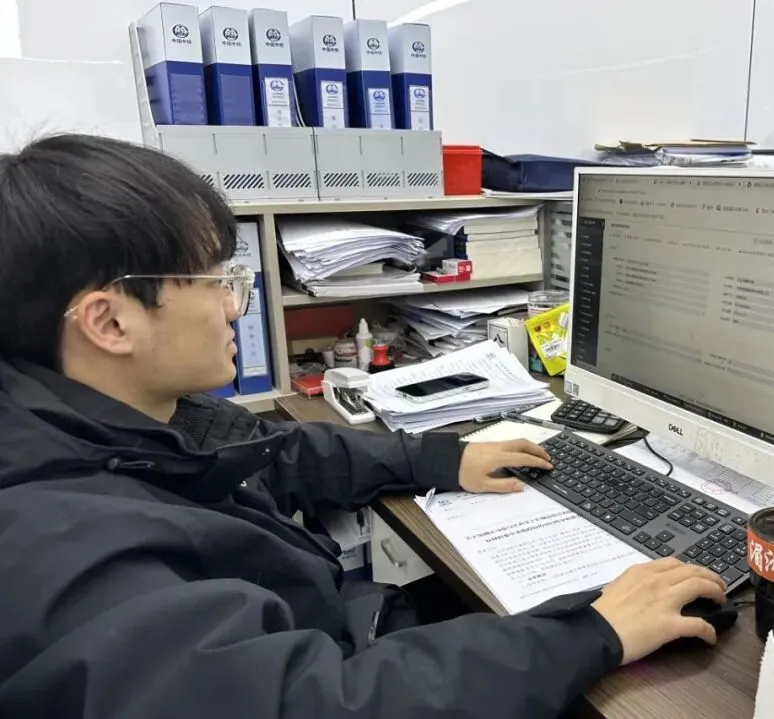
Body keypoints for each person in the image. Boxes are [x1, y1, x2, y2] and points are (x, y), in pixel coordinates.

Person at [0, 134, 727, 718]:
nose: (233, 307)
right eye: (219, 280)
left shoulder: (110, 421)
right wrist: (591, 633)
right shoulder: (65, 549)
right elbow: (312, 703)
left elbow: (276, 453)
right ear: (109, 322)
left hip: (330, 630)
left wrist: (441, 459)